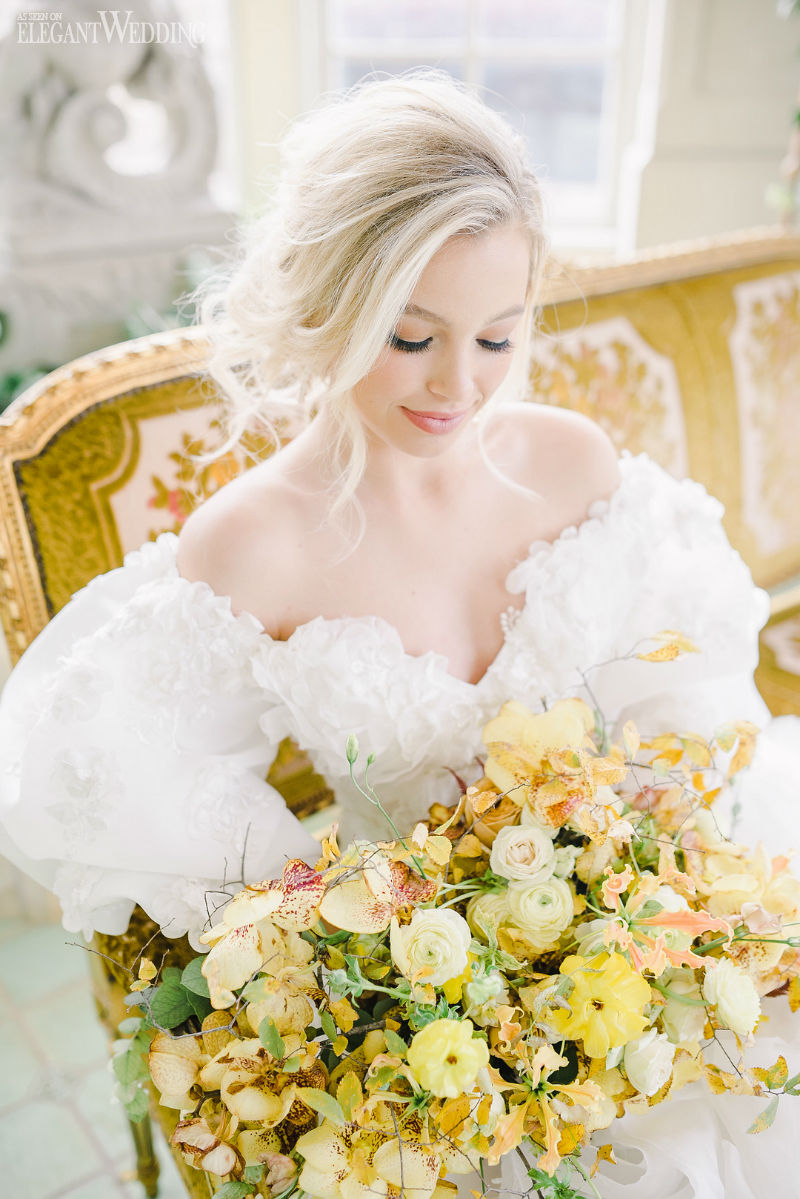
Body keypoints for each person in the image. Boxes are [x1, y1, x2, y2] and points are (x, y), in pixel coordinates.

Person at [0, 70, 797, 1198]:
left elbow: (684, 703)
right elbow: (114, 771)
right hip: (428, 1010)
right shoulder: (250, 543)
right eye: (410, 336)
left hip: (633, 944)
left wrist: (662, 877)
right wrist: (337, 927)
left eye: (495, 337)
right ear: (329, 302)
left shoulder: (570, 462)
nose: (455, 386)